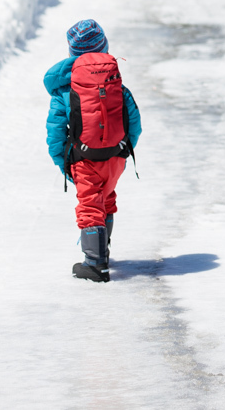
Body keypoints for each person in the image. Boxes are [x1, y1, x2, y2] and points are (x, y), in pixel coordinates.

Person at [45, 19, 142, 282]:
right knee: (106, 198)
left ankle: (95, 264)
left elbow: (55, 131)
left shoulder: (64, 90)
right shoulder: (116, 85)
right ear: (104, 48)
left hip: (84, 160)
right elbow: (134, 122)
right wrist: (122, 149)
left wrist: (63, 162)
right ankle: (103, 249)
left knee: (90, 205)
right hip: (116, 157)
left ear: (72, 54)